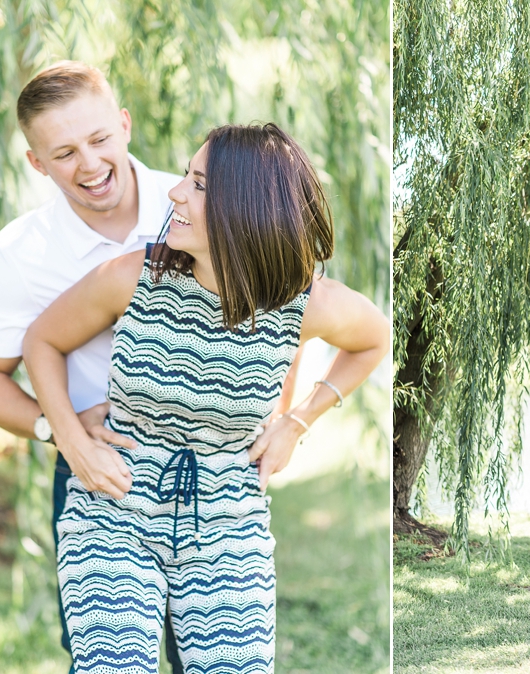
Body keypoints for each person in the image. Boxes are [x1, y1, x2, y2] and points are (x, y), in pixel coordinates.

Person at [23, 123, 390, 672]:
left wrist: (298, 421)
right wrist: (72, 442)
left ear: (244, 212)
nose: (175, 192)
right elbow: (41, 341)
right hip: (116, 505)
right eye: (187, 178)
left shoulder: (303, 303)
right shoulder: (135, 276)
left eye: (197, 185)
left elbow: (374, 339)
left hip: (228, 518)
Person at [0, 61, 207, 672]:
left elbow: (300, 301)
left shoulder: (203, 206)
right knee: (106, 661)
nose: (90, 166)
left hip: (209, 474)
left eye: (99, 140)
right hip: (97, 472)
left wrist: (287, 417)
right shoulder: (23, 255)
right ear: (36, 163)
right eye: (65, 153)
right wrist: (62, 432)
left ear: (124, 125)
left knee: (214, 656)